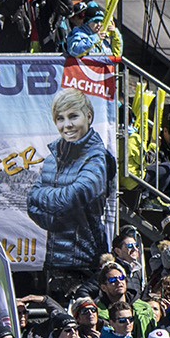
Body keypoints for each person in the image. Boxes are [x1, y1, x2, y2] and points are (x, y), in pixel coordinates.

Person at [23, 85, 118, 274]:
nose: (67, 125)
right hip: (54, 262)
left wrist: (44, 198)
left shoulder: (98, 158)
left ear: (89, 116)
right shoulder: (52, 159)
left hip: (87, 263)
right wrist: (56, 221)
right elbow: (31, 203)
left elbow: (71, 198)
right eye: (60, 118)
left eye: (73, 116)